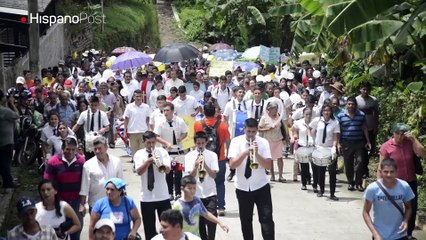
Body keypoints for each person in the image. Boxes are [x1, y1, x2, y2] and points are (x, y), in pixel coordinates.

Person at [228, 118, 275, 240]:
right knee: (246, 221)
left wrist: (256, 154)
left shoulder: (263, 142)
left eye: (253, 132)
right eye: (248, 131)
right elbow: (232, 165)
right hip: (243, 188)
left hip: (261, 187)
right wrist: (245, 153)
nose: (250, 135)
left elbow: (268, 166)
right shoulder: (236, 142)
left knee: (266, 219)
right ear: (244, 129)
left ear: (257, 131)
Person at [379, 123, 426, 239]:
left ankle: (408, 234)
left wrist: (414, 139)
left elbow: (423, 153)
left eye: (403, 134)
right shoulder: (386, 146)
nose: (401, 137)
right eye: (399, 134)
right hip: (394, 182)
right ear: (393, 133)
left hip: (410, 181)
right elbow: (381, 167)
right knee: (394, 208)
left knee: (412, 207)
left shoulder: (409, 143)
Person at [44, 137, 85, 240]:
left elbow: (85, 182)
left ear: (76, 149)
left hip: (76, 201)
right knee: (59, 231)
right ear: (62, 148)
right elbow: (47, 182)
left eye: (73, 149)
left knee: (76, 230)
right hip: (59, 202)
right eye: (68, 149)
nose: (70, 152)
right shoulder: (53, 162)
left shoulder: (82, 161)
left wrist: (82, 203)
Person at [363, 158, 415, 240]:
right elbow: (365, 212)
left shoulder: (404, 186)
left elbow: (409, 207)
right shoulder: (372, 188)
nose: (389, 175)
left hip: (400, 234)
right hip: (380, 235)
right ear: (380, 172)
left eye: (392, 172)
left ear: (396, 171)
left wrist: (405, 221)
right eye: (386, 172)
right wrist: (375, 234)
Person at [193, 102, 230, 216]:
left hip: (203, 157)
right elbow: (228, 141)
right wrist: (228, 154)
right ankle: (221, 207)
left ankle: (204, 204)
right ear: (215, 112)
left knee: (203, 181)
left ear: (204, 112)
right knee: (219, 183)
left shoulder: (198, 124)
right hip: (219, 158)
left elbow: (196, 141)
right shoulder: (222, 125)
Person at [134, 131, 172, 240]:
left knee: (168, 226)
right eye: (148, 143)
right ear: (143, 142)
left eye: (153, 143)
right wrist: (148, 162)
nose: (151, 145)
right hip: (146, 197)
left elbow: (168, 170)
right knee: (149, 229)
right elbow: (139, 172)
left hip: (163, 195)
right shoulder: (139, 154)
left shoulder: (162, 152)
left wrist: (160, 163)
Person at [184, 132, 219, 240]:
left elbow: (213, 175)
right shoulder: (189, 156)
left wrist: (205, 165)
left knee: (212, 222)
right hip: (196, 194)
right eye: (198, 143)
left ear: (206, 143)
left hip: (210, 193)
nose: (200, 145)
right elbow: (189, 179)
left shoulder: (212, 155)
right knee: (200, 225)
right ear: (195, 143)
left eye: (203, 143)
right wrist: (195, 166)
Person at [80, 136, 123, 213]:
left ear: (106, 147)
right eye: (95, 149)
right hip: (96, 205)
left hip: (115, 204)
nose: (97, 151)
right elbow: (84, 187)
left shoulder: (116, 162)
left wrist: (124, 202)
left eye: (100, 148)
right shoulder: (88, 165)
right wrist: (82, 204)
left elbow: (121, 183)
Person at [154, 102, 188, 200]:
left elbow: (185, 132)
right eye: (164, 110)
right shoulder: (160, 122)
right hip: (166, 151)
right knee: (168, 172)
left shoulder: (179, 121)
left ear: (172, 111)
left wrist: (181, 138)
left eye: (168, 110)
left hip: (178, 150)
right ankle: (169, 192)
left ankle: (178, 192)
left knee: (178, 172)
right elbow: (156, 136)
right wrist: (165, 143)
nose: (165, 112)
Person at [337, 96, 371, 192]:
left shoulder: (361, 115)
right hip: (346, 142)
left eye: (352, 104)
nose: (350, 106)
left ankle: (358, 183)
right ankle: (350, 182)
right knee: (348, 163)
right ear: (346, 105)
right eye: (349, 104)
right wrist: (339, 143)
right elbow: (339, 130)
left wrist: (368, 141)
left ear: (355, 105)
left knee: (360, 162)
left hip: (359, 142)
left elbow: (365, 128)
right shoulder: (341, 115)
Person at [308, 104, 340, 201]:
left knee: (332, 171)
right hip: (319, 148)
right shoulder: (317, 120)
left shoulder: (335, 123)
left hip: (329, 148)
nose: (326, 112)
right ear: (322, 111)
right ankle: (321, 190)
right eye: (325, 110)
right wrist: (310, 138)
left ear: (331, 112)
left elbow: (335, 136)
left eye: (328, 111)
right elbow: (309, 128)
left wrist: (334, 147)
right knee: (320, 170)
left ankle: (332, 193)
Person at [72, 95, 110, 160]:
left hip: (98, 139)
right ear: (89, 104)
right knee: (88, 158)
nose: (93, 107)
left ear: (98, 105)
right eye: (92, 105)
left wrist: (104, 129)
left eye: (95, 105)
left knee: (99, 157)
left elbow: (107, 127)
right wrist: (71, 133)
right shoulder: (84, 114)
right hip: (88, 139)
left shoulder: (103, 114)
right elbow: (77, 125)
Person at [258, 101, 285, 182]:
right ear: (269, 110)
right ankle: (272, 175)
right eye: (274, 109)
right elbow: (259, 128)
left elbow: (282, 127)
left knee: (280, 157)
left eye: (276, 109)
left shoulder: (278, 116)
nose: (275, 111)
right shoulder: (264, 118)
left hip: (278, 139)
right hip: (268, 140)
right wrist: (267, 129)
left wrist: (285, 137)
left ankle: (280, 176)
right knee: (270, 158)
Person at [356, 82, 379, 178]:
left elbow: (376, 114)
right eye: (363, 89)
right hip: (359, 129)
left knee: (371, 149)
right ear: (360, 89)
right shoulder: (356, 100)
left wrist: (376, 126)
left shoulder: (373, 100)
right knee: (362, 150)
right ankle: (363, 170)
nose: (365, 91)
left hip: (370, 128)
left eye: (367, 90)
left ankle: (364, 166)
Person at [290, 107, 314, 190]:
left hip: (312, 146)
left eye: (310, 114)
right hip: (302, 145)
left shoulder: (315, 122)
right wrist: (294, 136)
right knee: (304, 166)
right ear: (303, 114)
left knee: (313, 165)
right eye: (306, 114)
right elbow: (292, 129)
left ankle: (312, 181)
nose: (308, 116)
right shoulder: (299, 122)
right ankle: (304, 183)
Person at [123, 89, 151, 162]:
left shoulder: (146, 107)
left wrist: (149, 130)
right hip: (132, 132)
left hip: (143, 131)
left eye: (140, 96)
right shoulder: (129, 106)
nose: (138, 98)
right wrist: (125, 131)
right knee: (134, 151)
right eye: (137, 96)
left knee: (143, 151)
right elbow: (126, 119)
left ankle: (142, 164)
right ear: (134, 97)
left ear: (142, 97)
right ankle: (136, 165)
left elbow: (148, 119)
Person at [0, 89, 20, 188]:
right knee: (6, 163)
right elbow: (17, 115)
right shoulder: (4, 111)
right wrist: (12, 103)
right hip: (6, 141)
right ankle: (8, 182)